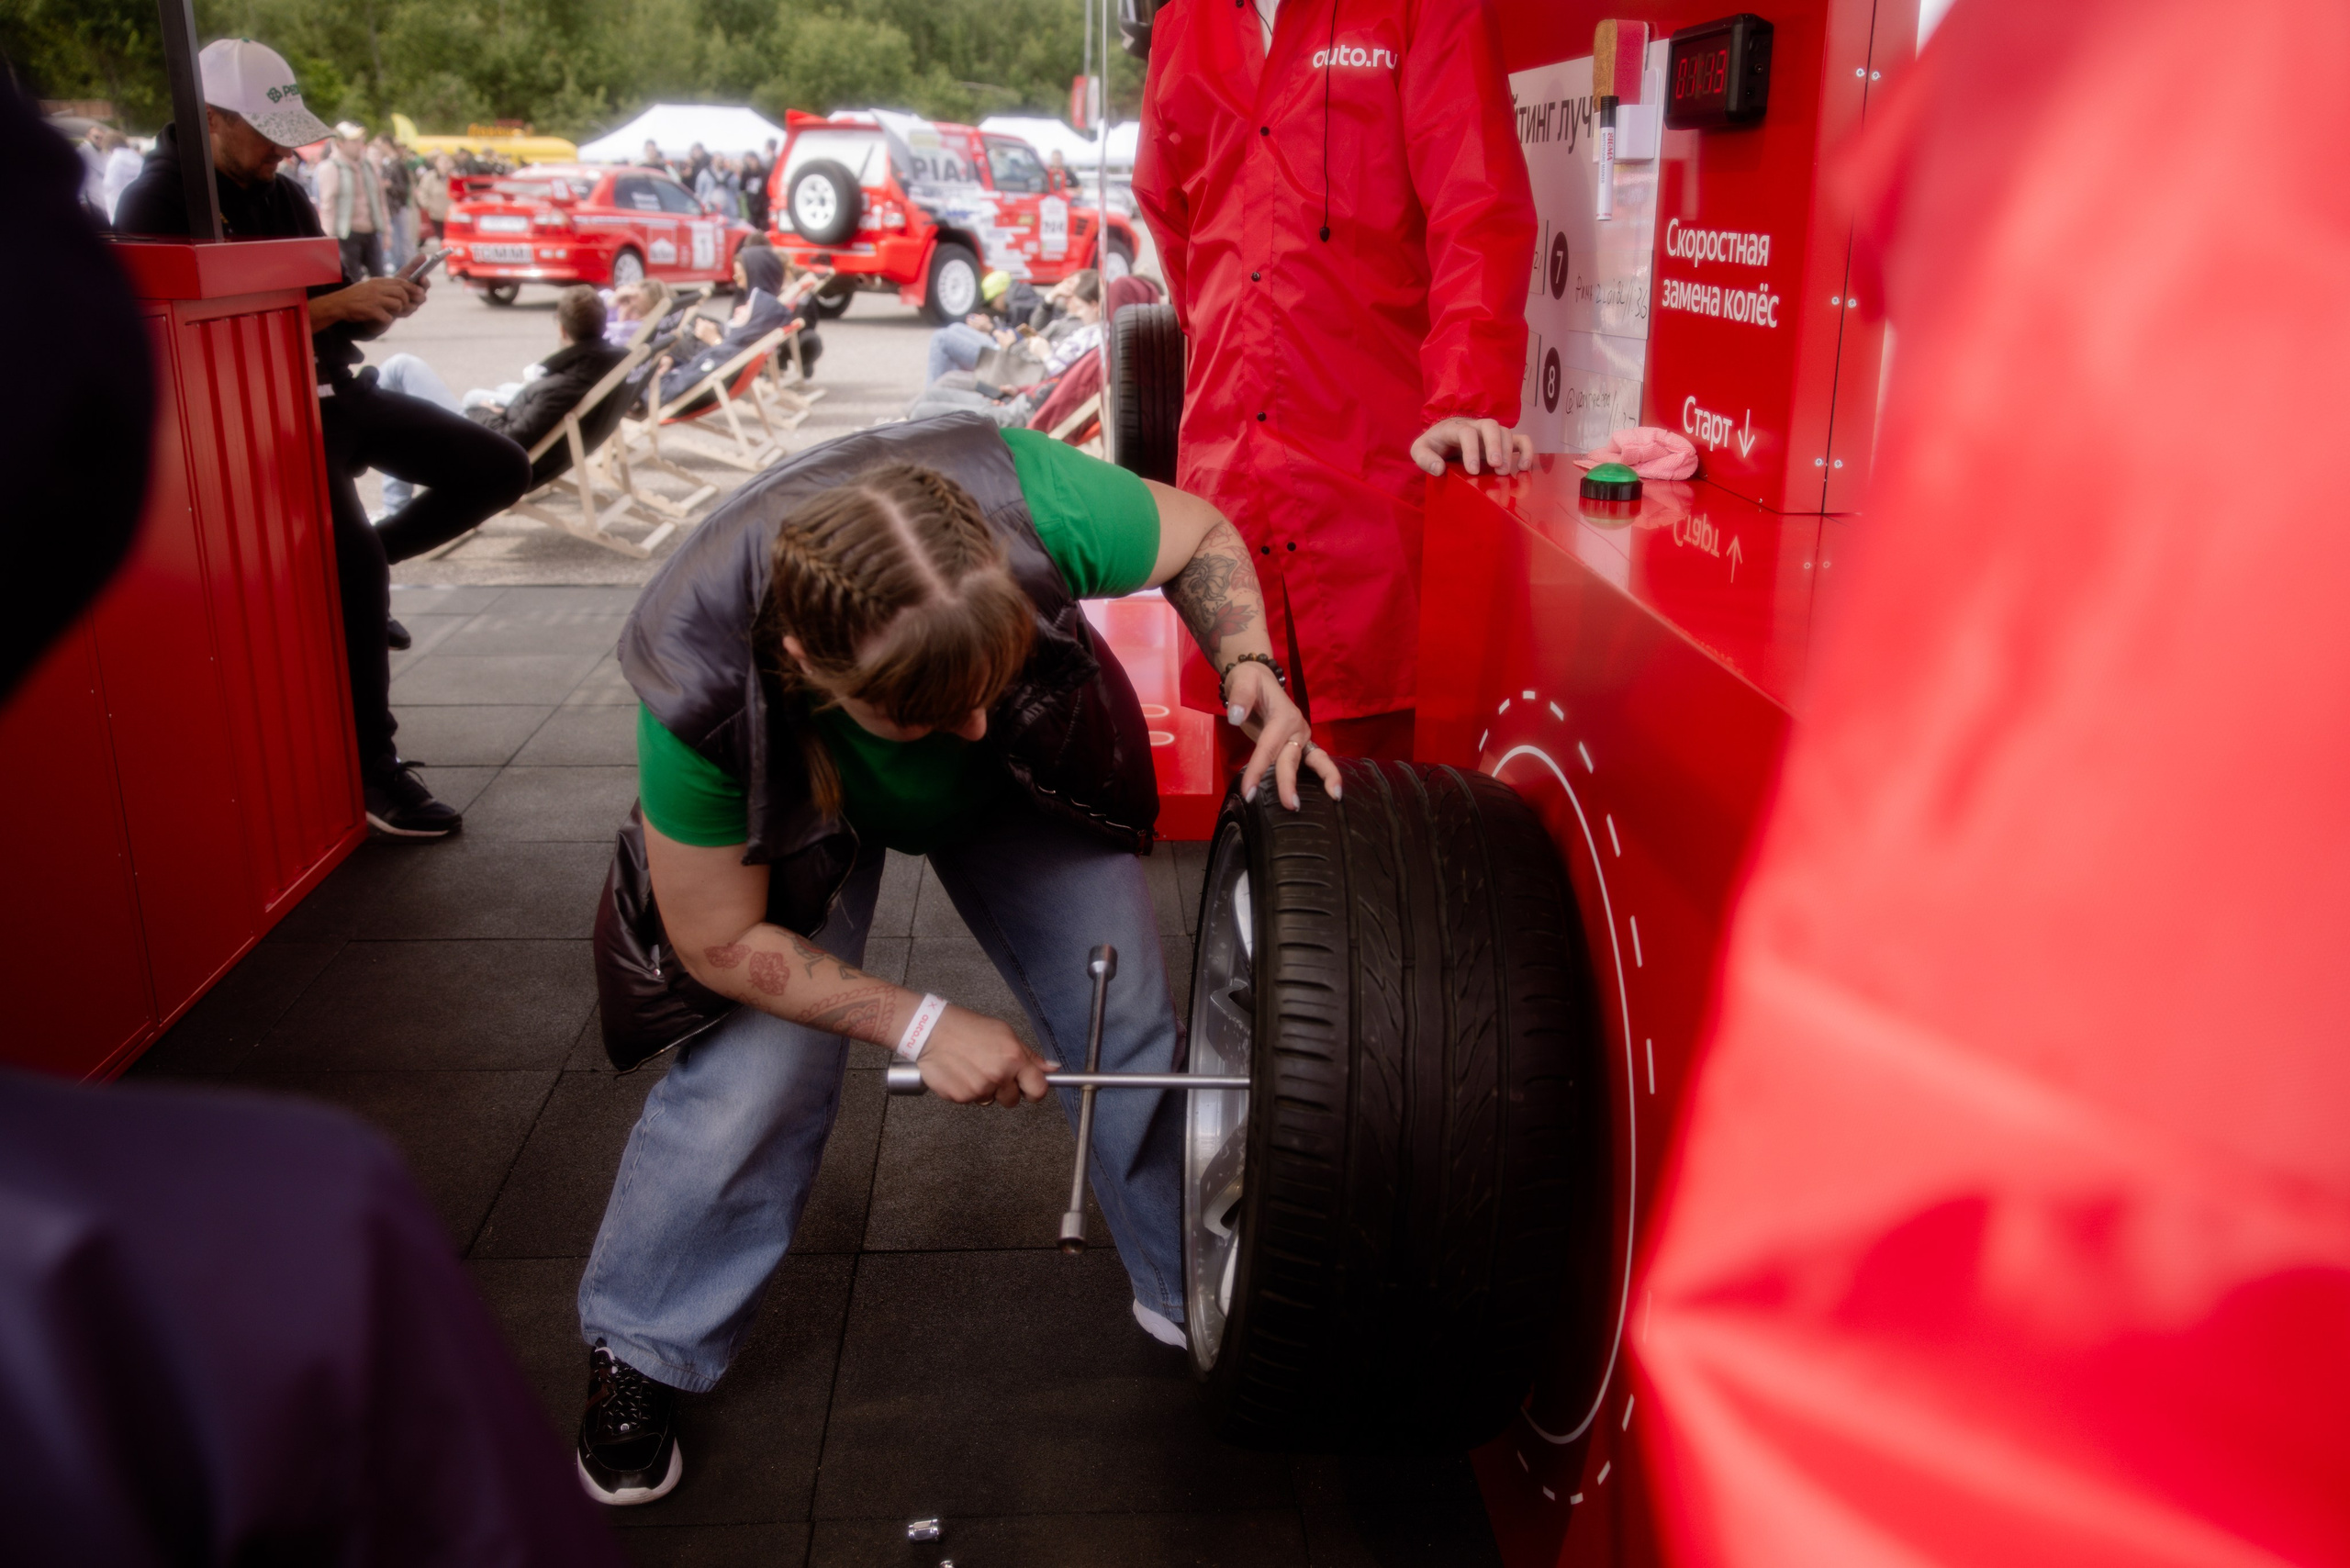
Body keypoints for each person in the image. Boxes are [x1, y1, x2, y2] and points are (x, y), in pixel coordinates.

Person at [572, 409, 1337, 1504]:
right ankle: (638, 1346)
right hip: (794, 807)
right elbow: (714, 939)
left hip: (1030, 780)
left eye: (988, 680)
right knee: (759, 1080)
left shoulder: (1028, 501)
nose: (974, 722)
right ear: (807, 665)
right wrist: (919, 1024)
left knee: (1121, 1018)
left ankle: (1186, 1285)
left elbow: (1202, 533)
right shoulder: (699, 675)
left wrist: (1247, 656)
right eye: (930, 712)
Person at [117, 38, 532, 837]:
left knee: (498, 467)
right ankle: (373, 774)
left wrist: (378, 303)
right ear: (210, 118)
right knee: (356, 574)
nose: (284, 149)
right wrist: (338, 309)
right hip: (254, 421)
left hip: (336, 392)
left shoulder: (282, 190)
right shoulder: (154, 202)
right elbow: (185, 341)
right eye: (267, 131)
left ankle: (363, 570)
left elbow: (336, 312)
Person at [1136, 0, 1537, 761]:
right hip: (1233, 458)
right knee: (1249, 767)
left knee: (1380, 787)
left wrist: (1470, 395)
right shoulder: (1183, 22)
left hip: (1370, 459)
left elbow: (1476, 197)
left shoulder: (1421, 11)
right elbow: (1172, 215)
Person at [375, 286, 628, 506]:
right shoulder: (603, 363)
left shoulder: (562, 387)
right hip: (503, 444)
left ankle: (394, 508)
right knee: (449, 393)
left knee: (400, 368)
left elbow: (510, 440)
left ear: (562, 329)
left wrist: (482, 411)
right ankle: (395, 504)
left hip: (485, 456)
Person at [650, 246, 822, 410]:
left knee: (667, 324)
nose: (738, 285)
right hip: (722, 353)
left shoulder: (762, 310)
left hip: (717, 361)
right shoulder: (767, 309)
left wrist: (713, 339)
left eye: (738, 277)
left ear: (756, 274)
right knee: (683, 318)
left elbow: (733, 359)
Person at [316, 119, 390, 281]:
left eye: (361, 141)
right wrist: (327, 240)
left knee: (380, 279)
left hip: (371, 232)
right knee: (352, 282)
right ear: (340, 143)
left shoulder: (368, 166)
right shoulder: (331, 167)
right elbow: (328, 205)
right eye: (354, 141)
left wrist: (386, 232)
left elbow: (380, 200)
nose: (360, 145)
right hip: (347, 234)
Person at [373, 132, 415, 272]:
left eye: (380, 145)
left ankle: (406, 270)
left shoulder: (397, 164)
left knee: (401, 242)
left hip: (398, 208)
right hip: (391, 208)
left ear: (386, 144)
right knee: (395, 243)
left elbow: (405, 188)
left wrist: (390, 186)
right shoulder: (387, 163)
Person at [415, 151, 454, 241]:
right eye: (442, 162)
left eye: (447, 162)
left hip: (452, 216)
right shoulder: (429, 177)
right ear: (436, 163)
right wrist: (429, 206)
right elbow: (422, 193)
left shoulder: (456, 177)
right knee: (441, 239)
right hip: (436, 215)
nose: (445, 165)